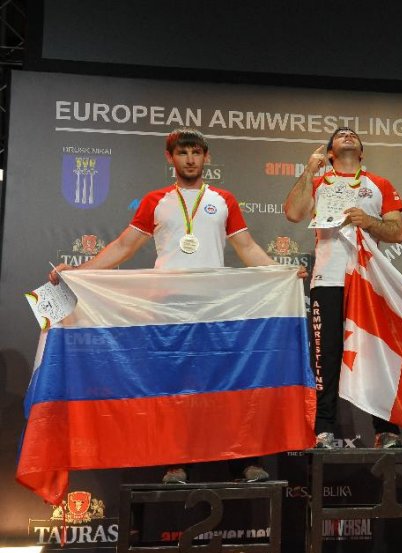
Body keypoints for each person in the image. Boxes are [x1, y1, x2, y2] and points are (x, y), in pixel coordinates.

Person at [49, 127, 304, 484]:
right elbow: (124, 247)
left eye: (196, 152)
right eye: (182, 153)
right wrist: (78, 272)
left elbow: (246, 248)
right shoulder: (155, 201)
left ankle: (246, 462)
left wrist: (282, 272)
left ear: (207, 157)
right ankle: (175, 463)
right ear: (170, 158)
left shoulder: (223, 199)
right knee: (172, 389)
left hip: (215, 309)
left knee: (229, 386)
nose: (190, 159)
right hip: (167, 310)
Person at [283, 127, 402, 450]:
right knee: (327, 357)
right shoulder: (316, 181)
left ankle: (386, 431)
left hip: (369, 283)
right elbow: (294, 213)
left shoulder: (378, 184)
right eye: (339, 135)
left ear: (362, 152)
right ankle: (323, 431)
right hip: (329, 280)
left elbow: (398, 232)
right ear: (330, 152)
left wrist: (369, 222)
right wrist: (310, 169)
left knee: (376, 356)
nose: (347, 135)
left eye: (353, 134)